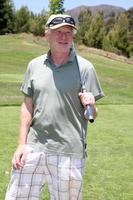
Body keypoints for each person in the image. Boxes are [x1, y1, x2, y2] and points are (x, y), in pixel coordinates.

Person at [5, 14, 104, 200]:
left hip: (69, 152)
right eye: (58, 32)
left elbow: (92, 113)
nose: (64, 37)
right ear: (47, 36)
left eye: (68, 32)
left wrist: (91, 106)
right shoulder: (34, 65)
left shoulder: (85, 68)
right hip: (34, 148)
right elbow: (27, 106)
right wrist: (21, 144)